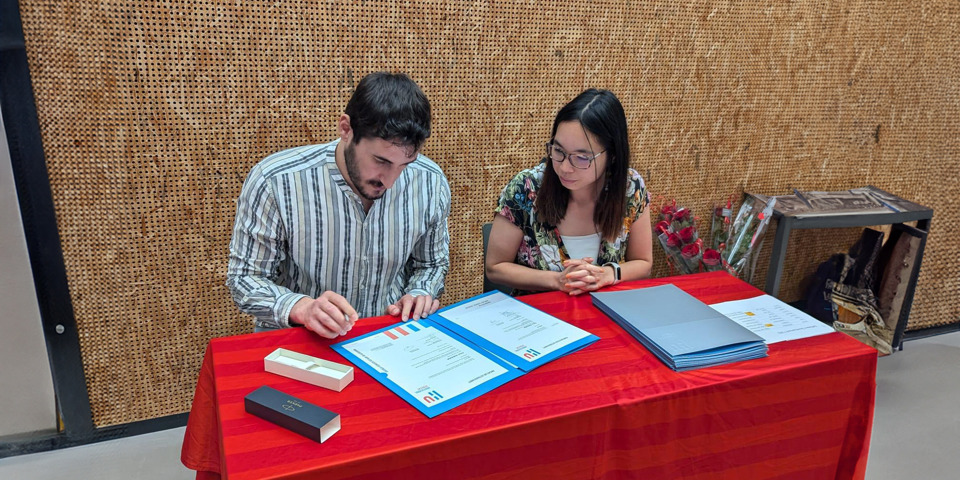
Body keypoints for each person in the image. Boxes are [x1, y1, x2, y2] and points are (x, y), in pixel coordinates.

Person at [226, 72, 450, 338]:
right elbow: (245, 278)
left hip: (387, 338)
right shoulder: (276, 181)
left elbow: (432, 264)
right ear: (346, 129)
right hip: (304, 339)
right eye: (381, 161)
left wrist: (420, 292)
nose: (390, 182)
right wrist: (302, 308)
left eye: (404, 165)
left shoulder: (430, 181)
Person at [485, 89, 652, 296]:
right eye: (559, 151)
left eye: (581, 158)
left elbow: (643, 263)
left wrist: (609, 274)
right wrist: (557, 280)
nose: (565, 167)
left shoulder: (630, 188)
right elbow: (495, 267)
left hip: (604, 314)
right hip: (539, 317)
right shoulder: (526, 188)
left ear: (612, 156)